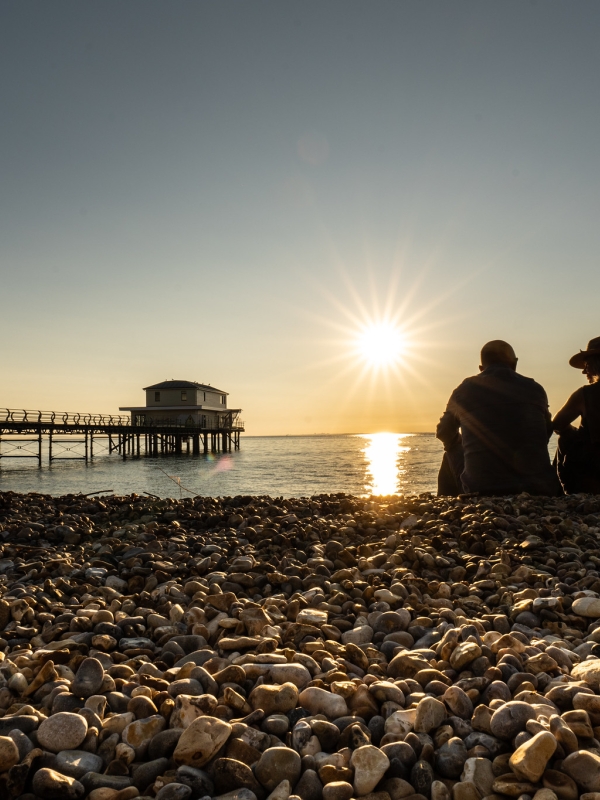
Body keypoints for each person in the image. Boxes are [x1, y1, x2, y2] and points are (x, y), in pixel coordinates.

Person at [436, 340, 561, 496]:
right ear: (514, 364)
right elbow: (545, 431)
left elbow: (443, 432)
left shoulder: (465, 390)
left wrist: (462, 444)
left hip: (483, 490)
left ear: (481, 368)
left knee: (450, 452)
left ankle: (446, 506)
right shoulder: (536, 389)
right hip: (540, 489)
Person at [552, 336, 600, 494]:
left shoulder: (586, 394)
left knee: (565, 436)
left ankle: (560, 491)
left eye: (586, 365)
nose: (584, 371)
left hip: (592, 475)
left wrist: (573, 432)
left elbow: (557, 424)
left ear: (595, 364)